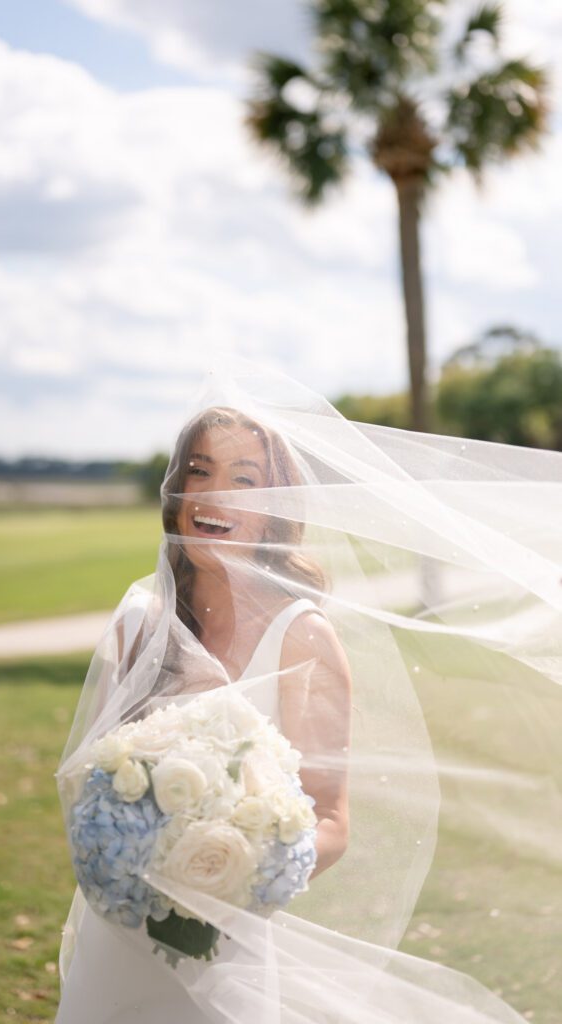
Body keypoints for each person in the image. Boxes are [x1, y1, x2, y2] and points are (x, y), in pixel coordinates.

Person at [55, 360, 562, 1023]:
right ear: (175, 489)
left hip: (227, 941)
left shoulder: (303, 638)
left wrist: (234, 873)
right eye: (199, 472)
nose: (215, 496)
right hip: (115, 933)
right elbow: (93, 774)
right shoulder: (137, 623)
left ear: (274, 511)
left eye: (245, 481)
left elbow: (329, 819)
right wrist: (122, 854)